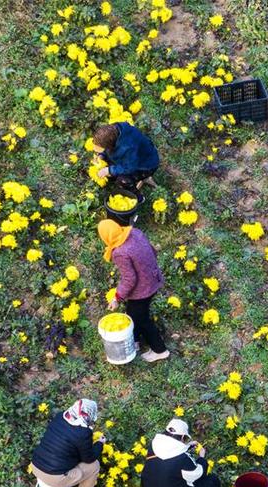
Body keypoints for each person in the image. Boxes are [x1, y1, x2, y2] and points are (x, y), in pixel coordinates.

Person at [98, 218, 169, 362]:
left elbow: (130, 279)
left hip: (142, 290)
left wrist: (117, 297)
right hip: (153, 278)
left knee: (142, 320)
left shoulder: (120, 252)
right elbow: (153, 251)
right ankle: (135, 341)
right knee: (132, 313)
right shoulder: (135, 232)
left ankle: (159, 350)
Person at [141, 418, 223, 487]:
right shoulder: (182, 459)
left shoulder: (153, 445)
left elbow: (169, 452)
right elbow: (199, 473)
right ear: (183, 436)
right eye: (185, 439)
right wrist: (202, 457)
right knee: (212, 481)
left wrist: (187, 446)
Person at [31, 399, 104, 487]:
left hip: (36, 466)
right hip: (55, 478)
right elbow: (89, 459)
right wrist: (99, 444)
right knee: (94, 466)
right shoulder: (83, 432)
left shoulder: (60, 417)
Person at [93, 123, 160, 203]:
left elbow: (130, 167)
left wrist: (109, 170)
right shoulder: (115, 129)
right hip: (131, 158)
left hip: (145, 165)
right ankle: (113, 174)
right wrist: (101, 156)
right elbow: (106, 149)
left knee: (122, 181)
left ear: (111, 144)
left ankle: (139, 198)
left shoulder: (128, 147)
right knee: (107, 165)